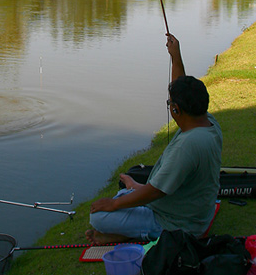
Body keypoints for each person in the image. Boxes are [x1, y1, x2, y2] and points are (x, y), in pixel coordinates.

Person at [86, 33, 222, 245]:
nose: (170, 107)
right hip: (189, 209)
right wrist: (176, 57)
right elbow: (180, 87)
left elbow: (155, 192)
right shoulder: (207, 122)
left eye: (171, 104)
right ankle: (126, 220)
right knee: (123, 196)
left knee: (99, 216)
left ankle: (127, 235)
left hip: (177, 223)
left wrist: (114, 205)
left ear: (177, 110)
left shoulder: (189, 145)